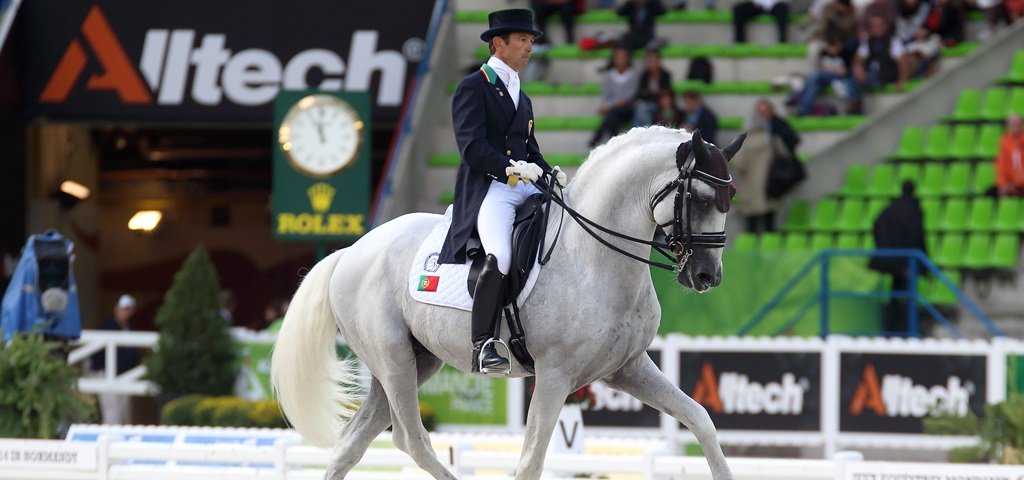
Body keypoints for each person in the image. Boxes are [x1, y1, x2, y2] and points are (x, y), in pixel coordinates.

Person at [441, 9, 566, 375]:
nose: (530, 48)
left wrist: (547, 171)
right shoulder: (472, 87)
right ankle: (482, 344)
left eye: (531, 41)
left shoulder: (521, 96)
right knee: (500, 254)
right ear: (499, 43)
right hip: (491, 188)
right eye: (523, 41)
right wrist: (510, 169)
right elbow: (471, 147)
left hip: (525, 187)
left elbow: (531, 148)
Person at [869, 181, 928, 335]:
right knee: (908, 295)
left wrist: (882, 248)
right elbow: (917, 236)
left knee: (896, 293)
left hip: (893, 259)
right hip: (907, 259)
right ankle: (906, 330)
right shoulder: (913, 210)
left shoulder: (890, 209)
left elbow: (876, 225)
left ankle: (892, 329)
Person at [89, 294, 140, 424]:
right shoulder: (107, 326)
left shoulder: (131, 329)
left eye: (128, 309)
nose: (125, 312)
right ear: (116, 309)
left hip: (125, 375)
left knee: (124, 411)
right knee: (112, 411)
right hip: (105, 374)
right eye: (123, 309)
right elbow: (96, 353)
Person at [589, 44, 640, 147]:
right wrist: (607, 106)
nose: (621, 60)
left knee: (612, 113)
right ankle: (614, 141)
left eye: (623, 57)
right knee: (613, 115)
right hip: (615, 110)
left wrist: (611, 106)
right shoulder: (608, 76)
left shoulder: (634, 75)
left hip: (628, 109)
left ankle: (598, 136)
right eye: (618, 57)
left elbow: (630, 96)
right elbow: (607, 96)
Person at [797, 35, 862, 115]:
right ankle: (803, 110)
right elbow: (820, 66)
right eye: (831, 46)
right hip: (824, 79)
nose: (833, 49)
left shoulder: (845, 55)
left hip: (838, 78)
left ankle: (798, 94)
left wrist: (831, 68)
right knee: (813, 85)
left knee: (816, 76)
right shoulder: (823, 54)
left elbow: (844, 72)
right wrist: (833, 68)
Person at [853, 15, 910, 91]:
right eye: (873, 26)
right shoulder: (868, 42)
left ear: (885, 26)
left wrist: (902, 80)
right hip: (869, 76)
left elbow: (903, 63)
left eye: (878, 25)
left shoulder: (894, 42)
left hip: (887, 76)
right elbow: (858, 59)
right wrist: (858, 68)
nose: (876, 28)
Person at [633, 48, 673, 127]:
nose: (652, 63)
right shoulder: (644, 75)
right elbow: (639, 93)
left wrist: (650, 93)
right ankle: (644, 130)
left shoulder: (665, 75)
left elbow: (667, 92)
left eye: (654, 60)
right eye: (650, 61)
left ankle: (645, 130)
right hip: (647, 103)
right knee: (641, 107)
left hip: (659, 103)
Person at [997, 114, 1024, 196]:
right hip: (1011, 182)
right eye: (1012, 124)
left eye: (1017, 124)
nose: (1015, 127)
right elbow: (1002, 166)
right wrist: (1004, 184)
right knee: (991, 192)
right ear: (1008, 126)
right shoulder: (1004, 141)